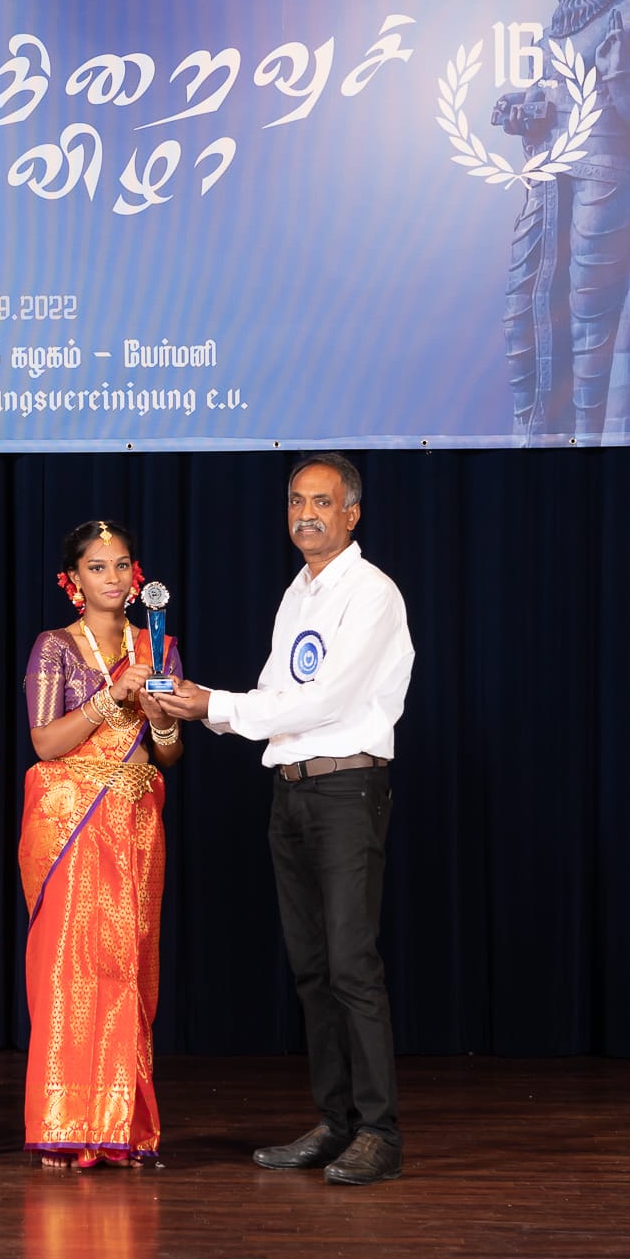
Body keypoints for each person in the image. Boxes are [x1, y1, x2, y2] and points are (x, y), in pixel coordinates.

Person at [160, 454, 414, 1186]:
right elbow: (276, 693)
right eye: (297, 500)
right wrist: (197, 705)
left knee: (351, 964)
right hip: (293, 790)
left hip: (346, 789)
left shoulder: (371, 594)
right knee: (311, 968)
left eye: (322, 502)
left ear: (352, 514)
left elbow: (325, 701)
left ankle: (380, 1131)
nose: (306, 513)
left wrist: (214, 704)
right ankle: (336, 1122)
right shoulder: (298, 592)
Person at [18, 520, 184, 1170]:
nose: (112, 578)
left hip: (137, 822)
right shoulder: (55, 647)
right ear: (73, 580)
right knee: (71, 969)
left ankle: (123, 1126)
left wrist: (162, 720)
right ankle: (64, 1125)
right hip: (73, 823)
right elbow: (43, 742)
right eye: (97, 567)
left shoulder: (157, 645)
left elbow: (169, 753)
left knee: (128, 969)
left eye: (121, 565)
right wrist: (112, 696)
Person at [492, 0, 630, 440]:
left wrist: (621, 81)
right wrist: (522, 114)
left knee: (593, 329)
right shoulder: (547, 40)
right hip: (547, 189)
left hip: (607, 184)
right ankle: (535, 443)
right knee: (524, 320)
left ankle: (594, 448)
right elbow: (546, 111)